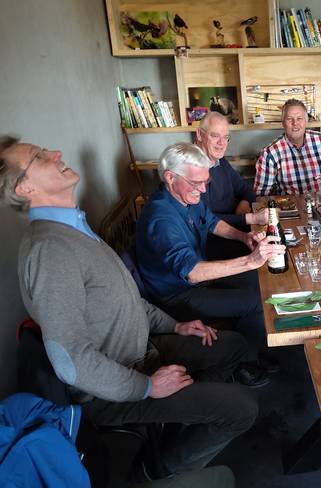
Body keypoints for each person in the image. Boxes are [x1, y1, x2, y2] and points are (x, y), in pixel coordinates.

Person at [1, 135, 258, 477]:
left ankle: (185, 415)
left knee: (233, 346)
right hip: (115, 392)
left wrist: (175, 325)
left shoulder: (72, 228)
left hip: (144, 350)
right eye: (38, 156)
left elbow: (126, 298)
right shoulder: (50, 251)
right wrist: (148, 387)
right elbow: (71, 360)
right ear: (24, 189)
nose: (56, 152)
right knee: (243, 408)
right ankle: (161, 468)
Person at [135, 142, 284, 379]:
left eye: (206, 182)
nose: (203, 190)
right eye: (196, 183)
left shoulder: (186, 197)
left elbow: (212, 221)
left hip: (196, 281)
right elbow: (192, 272)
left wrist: (243, 236)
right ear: (170, 177)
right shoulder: (160, 219)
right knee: (258, 300)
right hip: (177, 296)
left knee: (259, 280)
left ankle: (250, 340)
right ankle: (244, 364)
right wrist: (249, 260)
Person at [196, 112, 267, 259]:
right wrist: (249, 218)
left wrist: (243, 204)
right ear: (199, 134)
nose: (222, 143)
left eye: (225, 137)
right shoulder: (194, 170)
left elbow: (246, 190)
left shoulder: (219, 162)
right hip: (212, 243)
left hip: (236, 231)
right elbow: (205, 220)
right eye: (215, 136)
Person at [254, 99, 321, 195]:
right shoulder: (270, 153)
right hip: (291, 208)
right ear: (283, 123)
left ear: (306, 121)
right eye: (289, 119)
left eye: (299, 118)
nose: (295, 123)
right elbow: (261, 194)